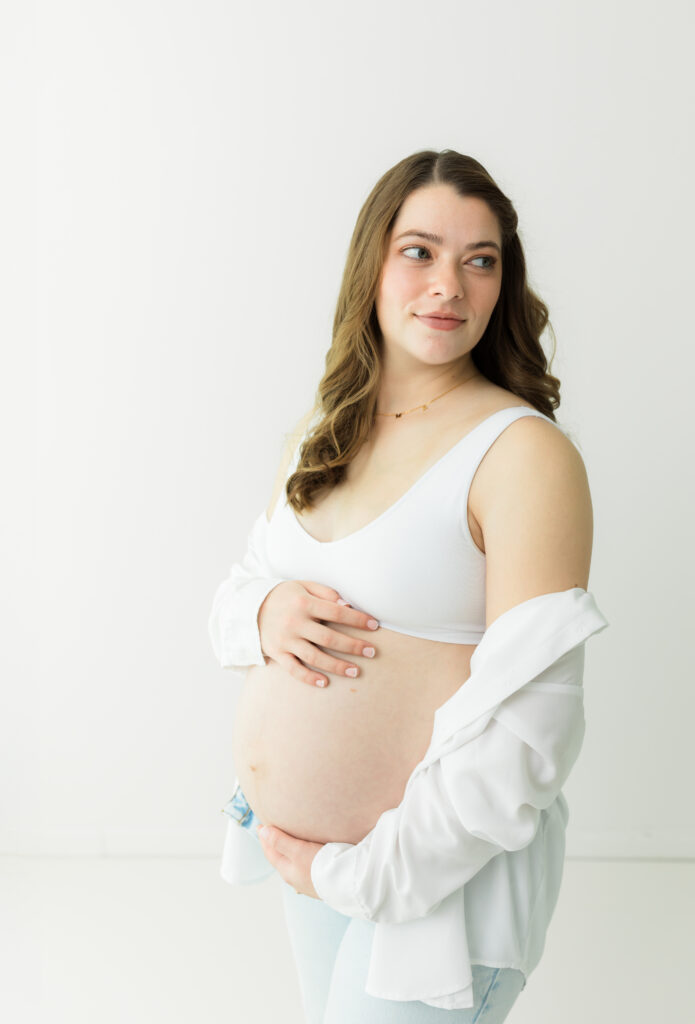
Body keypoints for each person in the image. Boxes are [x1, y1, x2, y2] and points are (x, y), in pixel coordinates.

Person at [208, 148, 609, 1023]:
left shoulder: (523, 455)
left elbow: (534, 730)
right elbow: (236, 596)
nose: (449, 286)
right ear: (372, 263)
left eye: (480, 259)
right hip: (313, 867)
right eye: (419, 251)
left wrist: (363, 873)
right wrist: (268, 609)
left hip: (434, 888)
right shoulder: (330, 431)